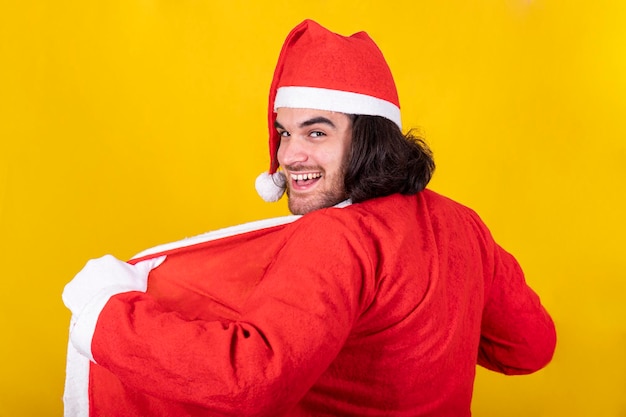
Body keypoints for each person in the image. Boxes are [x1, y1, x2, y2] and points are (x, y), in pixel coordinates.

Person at [62, 19, 556, 417]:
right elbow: (529, 347)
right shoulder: (462, 225)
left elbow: (248, 380)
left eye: (316, 133)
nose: (289, 155)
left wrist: (105, 313)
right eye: (284, 132)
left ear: (368, 139)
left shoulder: (337, 238)